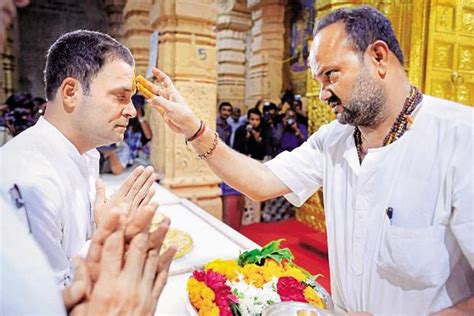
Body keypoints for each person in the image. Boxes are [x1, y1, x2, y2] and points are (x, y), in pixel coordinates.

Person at [138, 5, 473, 315]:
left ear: (379, 57)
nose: (323, 93)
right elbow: (261, 182)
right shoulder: (335, 139)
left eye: (331, 75)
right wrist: (194, 129)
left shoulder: (460, 138)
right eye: (319, 81)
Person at [0, 30, 156, 286]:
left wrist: (104, 226)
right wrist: (106, 234)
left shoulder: (82, 154)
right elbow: (47, 299)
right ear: (71, 92)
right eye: (120, 96)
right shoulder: (29, 181)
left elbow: (73, 245)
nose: (130, 111)